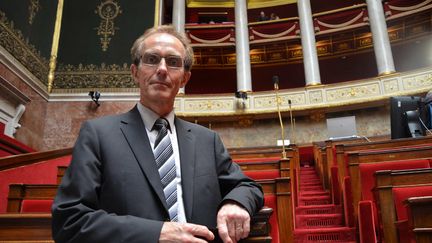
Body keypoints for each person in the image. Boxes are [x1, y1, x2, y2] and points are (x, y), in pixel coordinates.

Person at [51, 25, 264, 243]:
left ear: (184, 79)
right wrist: (157, 234)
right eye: (152, 59)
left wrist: (235, 203)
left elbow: (247, 187)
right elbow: (69, 220)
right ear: (135, 72)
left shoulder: (206, 140)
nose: (162, 69)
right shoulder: (98, 135)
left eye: (173, 62)